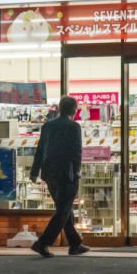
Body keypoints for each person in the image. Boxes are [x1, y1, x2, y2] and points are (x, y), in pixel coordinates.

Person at [29, 95, 90, 258]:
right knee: (63, 211)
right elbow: (76, 152)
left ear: (60, 108)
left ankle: (75, 244)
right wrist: (76, 171)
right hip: (66, 173)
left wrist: (34, 171)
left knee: (65, 208)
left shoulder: (47, 126)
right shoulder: (74, 127)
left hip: (49, 174)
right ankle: (42, 243)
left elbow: (40, 150)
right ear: (74, 110)